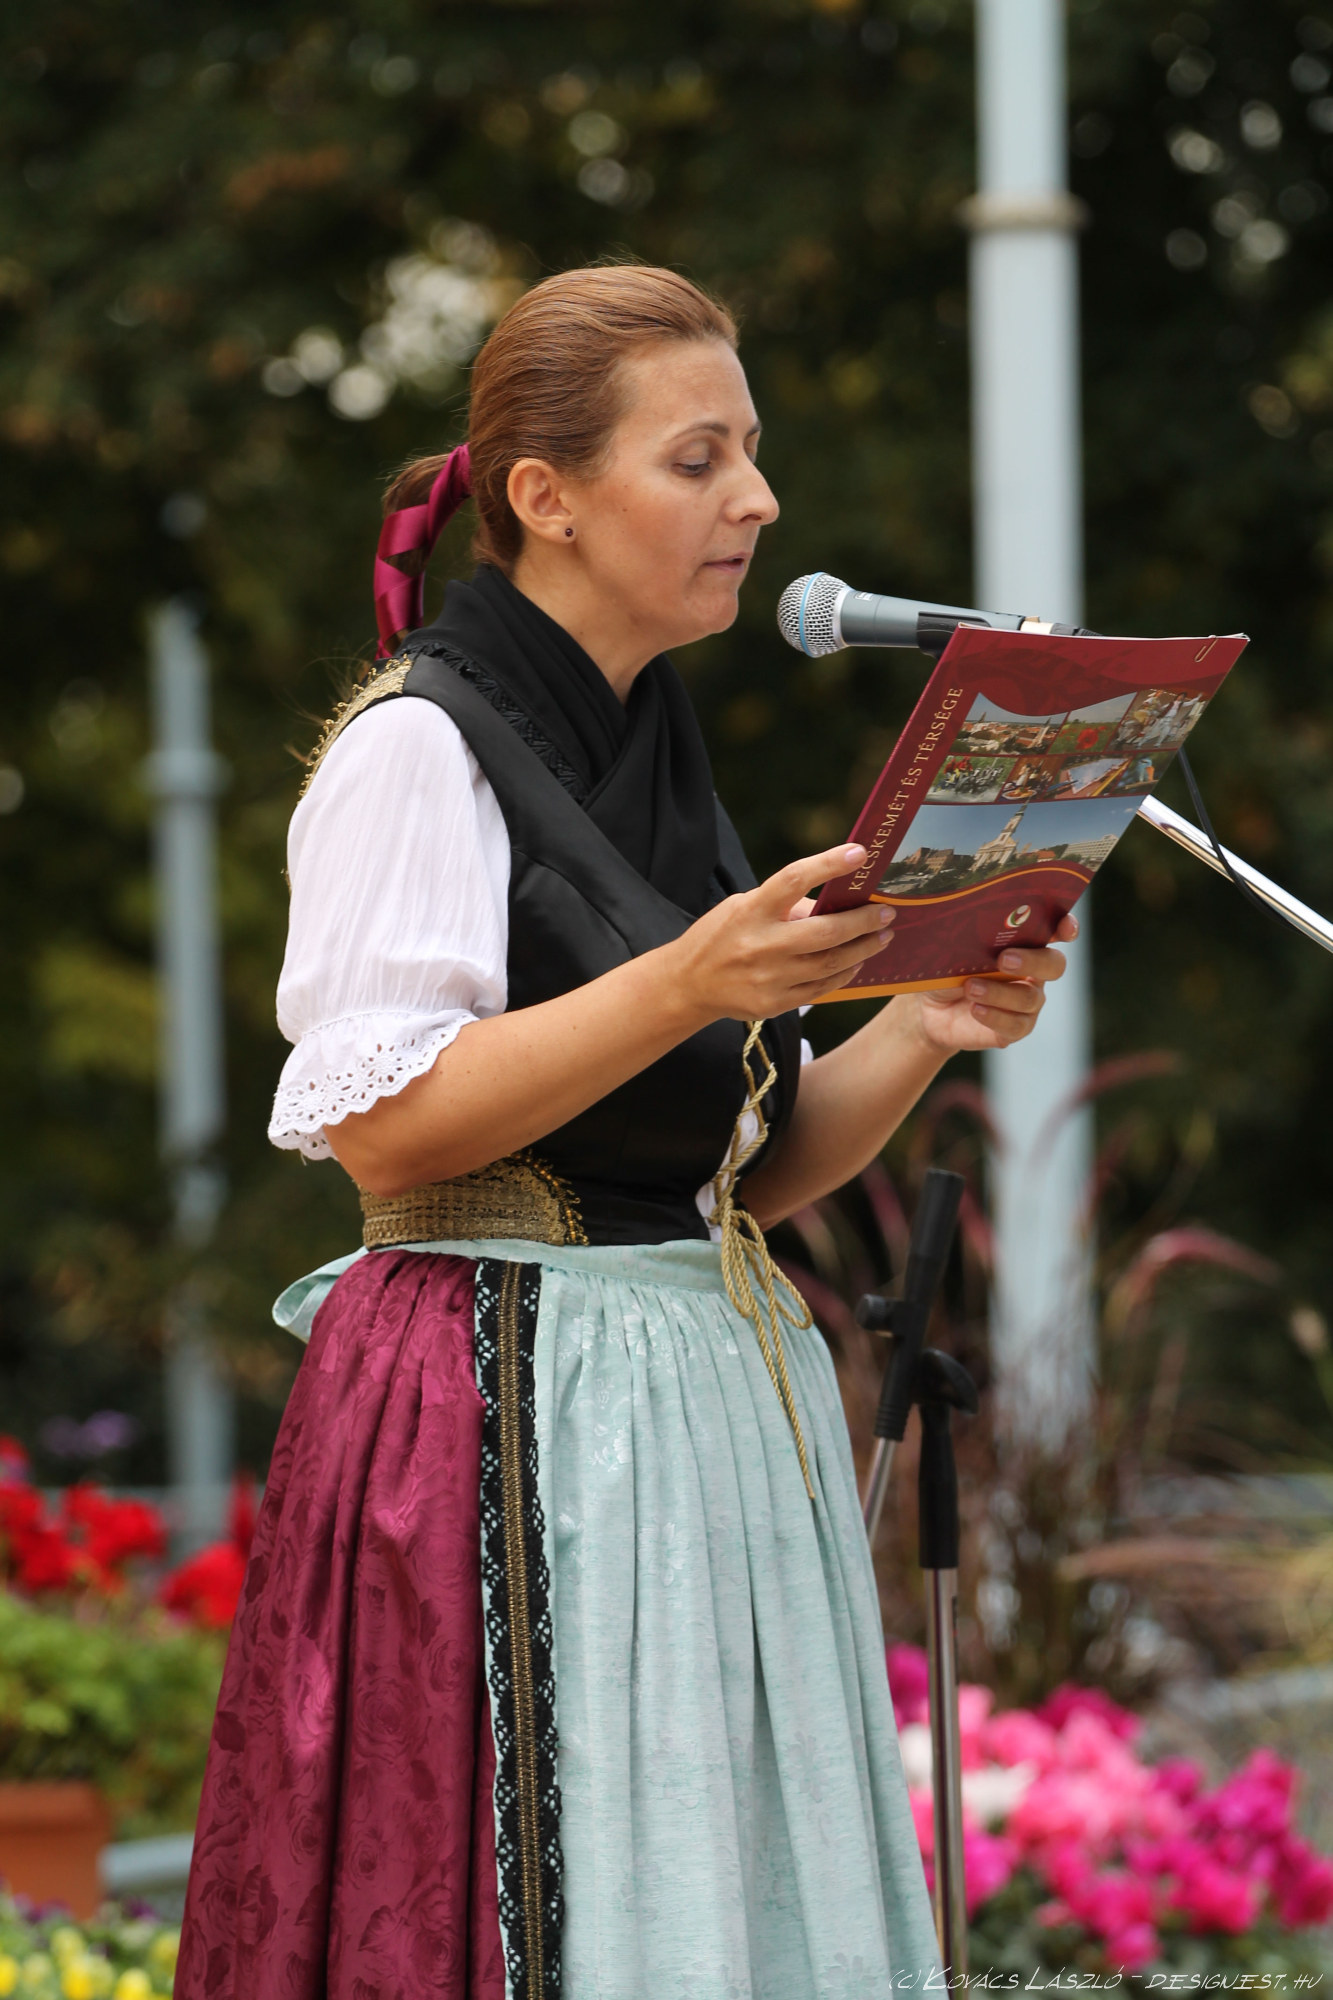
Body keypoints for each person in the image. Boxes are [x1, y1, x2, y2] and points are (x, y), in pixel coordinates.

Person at [176, 265, 1074, 2000]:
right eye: (698, 457)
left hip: (692, 1403)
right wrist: (686, 981)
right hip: (505, 1407)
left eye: (752, 451)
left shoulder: (653, 746)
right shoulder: (414, 749)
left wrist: (926, 1021)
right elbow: (385, 1132)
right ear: (547, 496)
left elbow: (739, 1174)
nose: (759, 500)